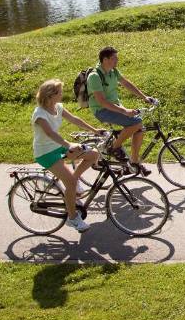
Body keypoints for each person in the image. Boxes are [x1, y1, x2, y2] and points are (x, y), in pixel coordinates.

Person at [32, 79, 103, 233]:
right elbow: (50, 133)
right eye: (60, 92)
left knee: (93, 155)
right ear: (50, 95)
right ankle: (72, 218)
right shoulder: (40, 114)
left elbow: (74, 119)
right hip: (45, 153)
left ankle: (74, 183)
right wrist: (68, 145)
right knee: (70, 183)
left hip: (58, 147)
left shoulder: (58, 107)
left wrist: (94, 130)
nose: (62, 94)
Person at [87, 46, 155, 175]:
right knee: (136, 122)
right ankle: (114, 147)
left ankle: (134, 163)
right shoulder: (94, 76)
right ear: (105, 59)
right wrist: (124, 111)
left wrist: (144, 97)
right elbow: (102, 101)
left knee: (139, 128)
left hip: (115, 107)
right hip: (101, 110)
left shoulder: (113, 71)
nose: (117, 60)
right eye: (114, 58)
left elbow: (126, 83)